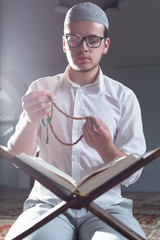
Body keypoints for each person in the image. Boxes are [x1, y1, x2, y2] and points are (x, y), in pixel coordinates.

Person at [5, 2, 146, 240]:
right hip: (48, 203)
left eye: (92, 40)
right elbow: (19, 158)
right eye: (74, 39)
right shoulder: (41, 88)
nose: (83, 47)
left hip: (107, 206)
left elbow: (132, 175)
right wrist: (30, 121)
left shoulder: (123, 97)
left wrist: (106, 148)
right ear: (64, 43)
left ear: (105, 45)